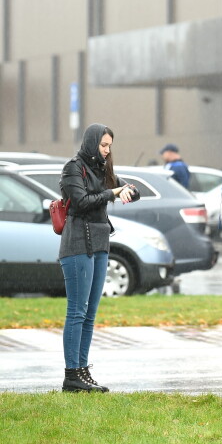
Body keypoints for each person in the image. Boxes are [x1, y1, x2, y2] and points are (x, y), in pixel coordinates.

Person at [59, 123, 139, 392]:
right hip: (78, 244)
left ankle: (82, 370)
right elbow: (81, 202)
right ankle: (71, 374)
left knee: (90, 313)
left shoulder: (103, 169)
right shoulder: (74, 167)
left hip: (101, 243)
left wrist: (129, 190)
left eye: (109, 146)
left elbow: (127, 189)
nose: (106, 151)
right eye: (103, 145)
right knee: (77, 311)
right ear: (92, 142)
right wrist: (112, 192)